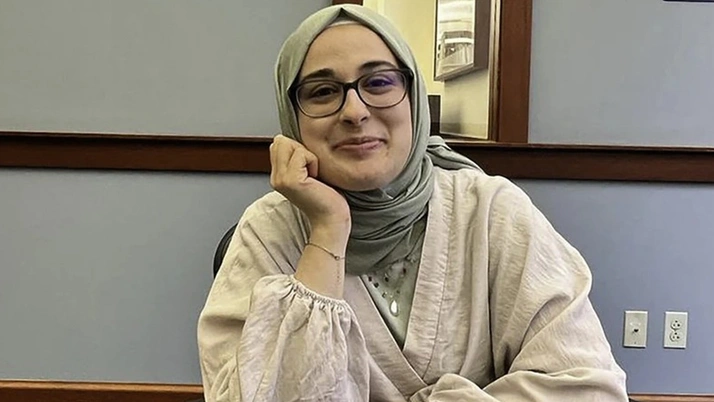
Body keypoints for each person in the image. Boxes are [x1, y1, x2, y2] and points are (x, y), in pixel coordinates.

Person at [197, 4, 629, 401]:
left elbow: (590, 389)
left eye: (378, 82)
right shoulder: (268, 233)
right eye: (323, 91)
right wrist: (328, 230)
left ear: (413, 96)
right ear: (292, 116)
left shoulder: (490, 212)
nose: (354, 111)